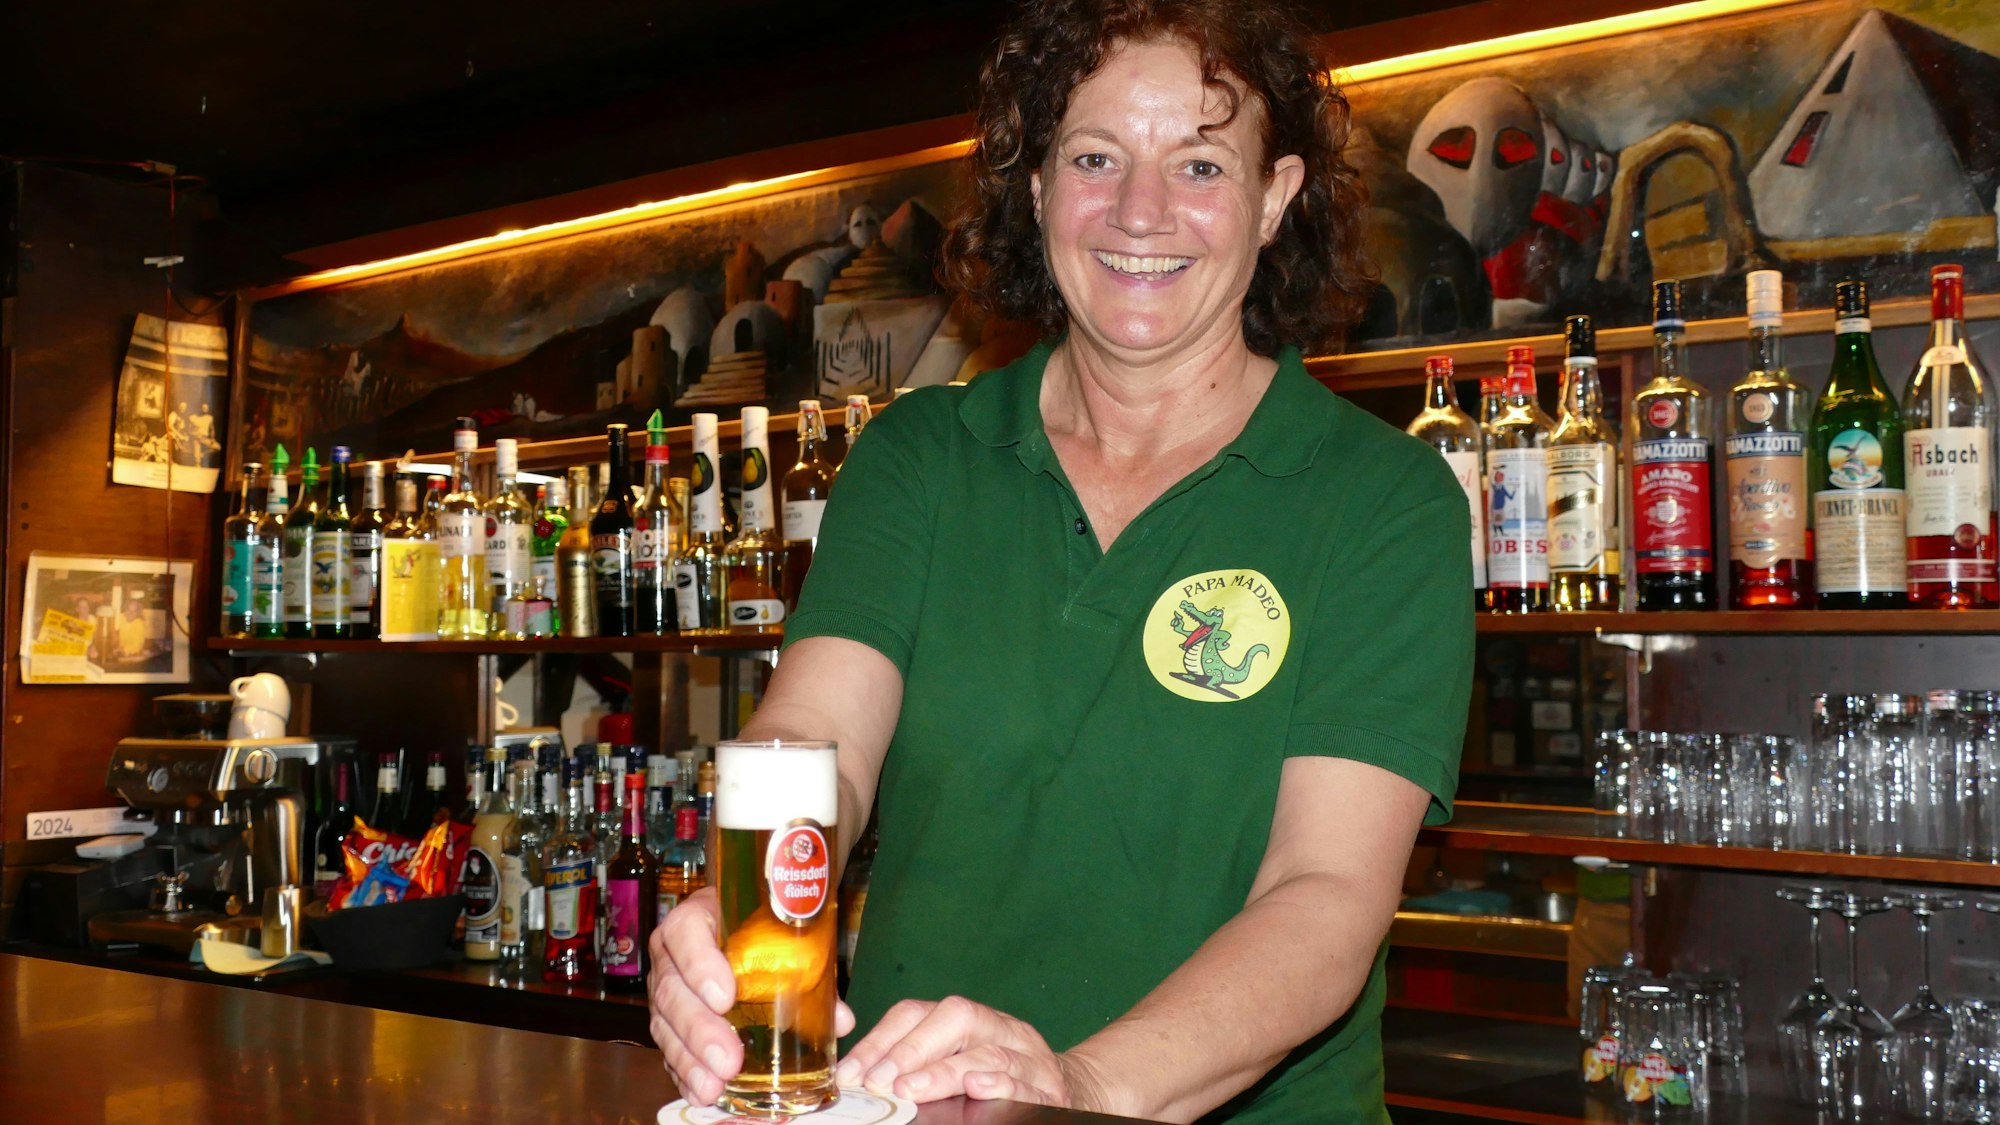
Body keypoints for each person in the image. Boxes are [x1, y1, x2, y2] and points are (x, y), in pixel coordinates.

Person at [648, 1, 1472, 1120]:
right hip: (917, 1105)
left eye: (1196, 163)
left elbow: (1323, 896)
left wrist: (1075, 1090)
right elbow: (815, 748)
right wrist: (729, 915)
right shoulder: (918, 461)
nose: (1140, 211)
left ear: (1273, 198)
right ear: (1035, 192)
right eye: (1094, 157)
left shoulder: (1379, 500)